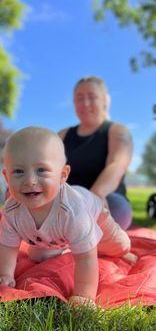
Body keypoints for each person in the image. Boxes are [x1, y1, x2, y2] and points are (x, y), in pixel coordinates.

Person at [0, 127, 137, 307]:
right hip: (52, 236)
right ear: (6, 177)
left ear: (62, 175)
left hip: (94, 211)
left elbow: (85, 259)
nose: (29, 180)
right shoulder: (12, 209)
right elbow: (7, 246)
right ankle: (72, 244)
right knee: (37, 255)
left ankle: (120, 250)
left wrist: (84, 296)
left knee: (116, 245)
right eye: (19, 171)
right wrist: (5, 275)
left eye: (41, 170)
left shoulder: (72, 211)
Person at [58, 76, 133, 230]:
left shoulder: (117, 131)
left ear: (105, 100)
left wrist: (95, 196)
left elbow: (117, 164)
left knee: (119, 208)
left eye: (92, 97)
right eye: (79, 98)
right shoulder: (62, 135)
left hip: (105, 201)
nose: (85, 103)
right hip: (66, 202)